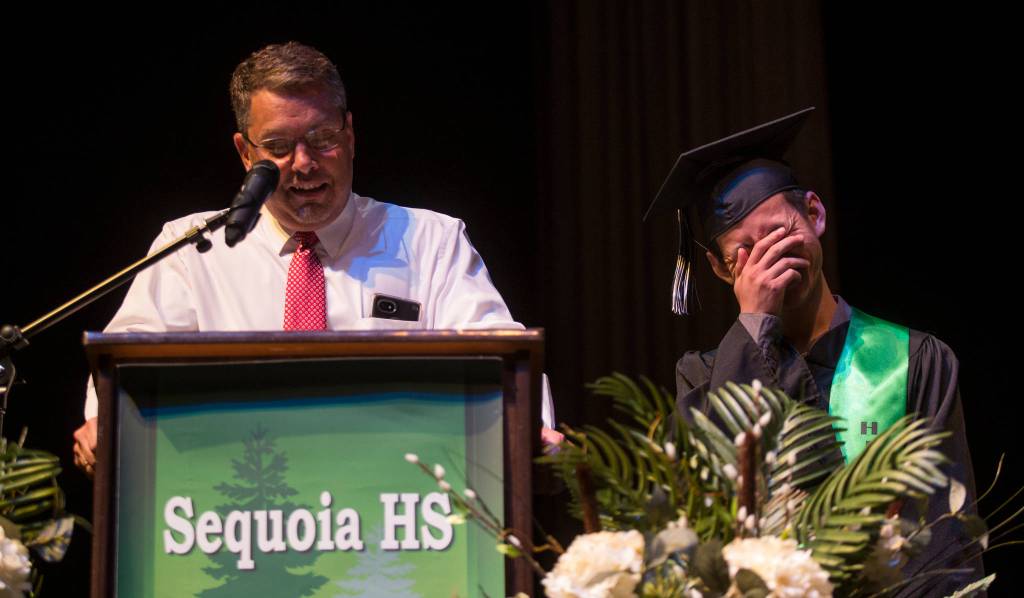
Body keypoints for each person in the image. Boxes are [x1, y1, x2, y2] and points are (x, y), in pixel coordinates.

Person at [72, 41, 559, 475]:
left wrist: (528, 430)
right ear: (245, 152)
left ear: (350, 136)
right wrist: (105, 424)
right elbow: (127, 362)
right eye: (280, 147)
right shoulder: (192, 247)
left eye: (322, 139)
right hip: (232, 506)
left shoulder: (431, 242)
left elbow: (502, 354)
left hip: (395, 504)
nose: (304, 164)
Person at [644, 107, 980, 595]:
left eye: (780, 233)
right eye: (746, 252)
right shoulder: (703, 377)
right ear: (720, 270)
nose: (771, 257)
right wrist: (755, 323)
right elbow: (706, 519)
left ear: (815, 215)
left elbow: (948, 537)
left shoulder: (914, 360)